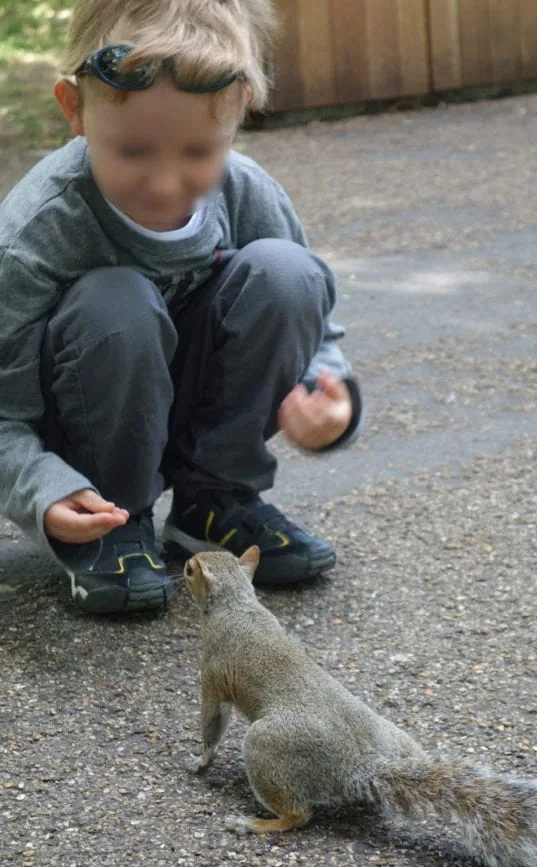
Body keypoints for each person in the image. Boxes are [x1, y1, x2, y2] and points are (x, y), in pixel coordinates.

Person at [0, 0, 362, 615]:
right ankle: (115, 523)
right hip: (89, 438)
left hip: (194, 414)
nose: (165, 184)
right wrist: (46, 489)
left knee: (288, 271)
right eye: (134, 153)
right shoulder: (38, 230)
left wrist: (327, 396)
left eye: (198, 153)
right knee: (117, 299)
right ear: (75, 109)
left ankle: (213, 501)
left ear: (239, 108)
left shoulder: (246, 189)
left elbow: (314, 330)